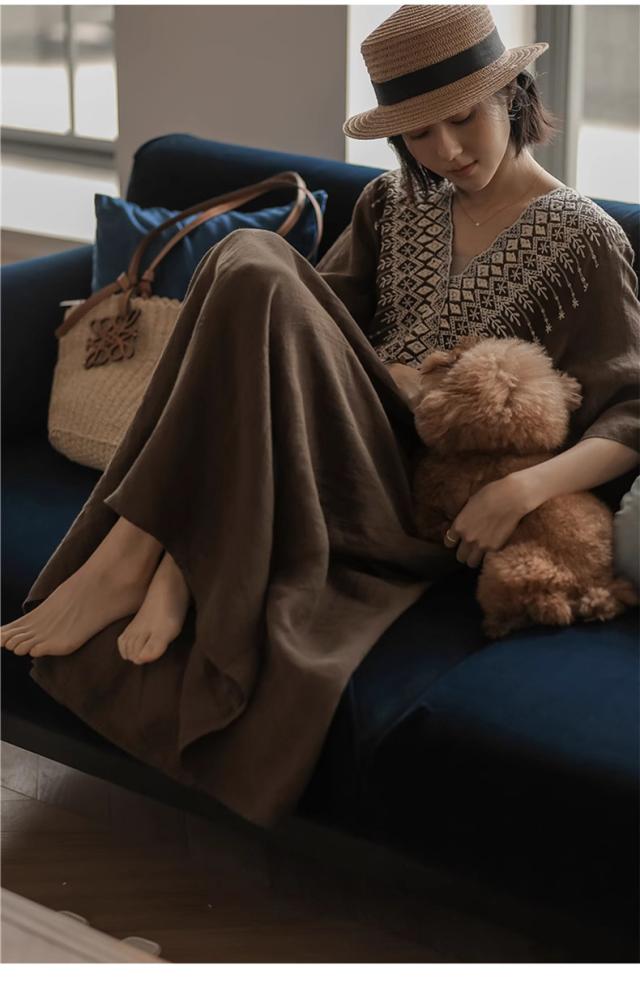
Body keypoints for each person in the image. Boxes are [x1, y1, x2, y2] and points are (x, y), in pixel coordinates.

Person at [1, 5, 638, 828]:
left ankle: (149, 553)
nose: (446, 150)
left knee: (253, 263)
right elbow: (290, 330)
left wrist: (518, 493)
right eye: (418, 133)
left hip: (420, 491)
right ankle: (152, 556)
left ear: (512, 96)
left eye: (463, 119)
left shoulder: (585, 240)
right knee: (246, 262)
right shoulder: (391, 203)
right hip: (334, 443)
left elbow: (629, 411)